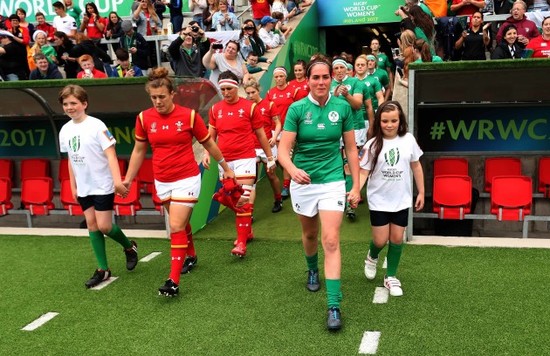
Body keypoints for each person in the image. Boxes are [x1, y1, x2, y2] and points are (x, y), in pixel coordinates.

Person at [123, 67, 234, 296]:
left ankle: (173, 281)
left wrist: (226, 167)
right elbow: (138, 151)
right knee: (180, 225)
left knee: (175, 226)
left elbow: (209, 143)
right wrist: (127, 180)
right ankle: (191, 255)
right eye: (153, 98)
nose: (157, 102)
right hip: (162, 180)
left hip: (187, 178)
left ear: (172, 94)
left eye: (162, 97)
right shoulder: (144, 118)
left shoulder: (189, 116)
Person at [277, 57, 360, 331]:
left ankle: (334, 305)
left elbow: (350, 149)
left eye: (326, 77)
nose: (322, 82)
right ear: (308, 80)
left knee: (331, 239)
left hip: (333, 181)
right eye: (316, 77)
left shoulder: (342, 107)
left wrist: (355, 185)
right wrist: (291, 169)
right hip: (304, 182)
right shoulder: (297, 109)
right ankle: (312, 267)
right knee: (310, 234)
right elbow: (283, 150)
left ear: (332, 78)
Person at [58, 84, 138, 289]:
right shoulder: (65, 130)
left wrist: (117, 181)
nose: (69, 107)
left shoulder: (97, 125)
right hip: (84, 186)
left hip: (102, 184)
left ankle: (129, 247)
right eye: (66, 104)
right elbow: (70, 160)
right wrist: (73, 186)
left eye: (74, 103)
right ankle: (103, 269)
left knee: (104, 226)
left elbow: (111, 155)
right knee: (92, 226)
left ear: (84, 104)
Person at [203, 71, 276, 258]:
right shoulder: (215, 109)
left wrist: (269, 157)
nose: (226, 92)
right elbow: (210, 135)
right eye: (223, 89)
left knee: (243, 198)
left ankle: (241, 243)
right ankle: (247, 231)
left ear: (236, 87)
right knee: (233, 198)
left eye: (229, 89)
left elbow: (261, 134)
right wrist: (205, 153)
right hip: (224, 160)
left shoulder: (250, 107)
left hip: (245, 157)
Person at [359, 101, 424, 298]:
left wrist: (421, 191)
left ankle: (391, 276)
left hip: (401, 199)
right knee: (380, 240)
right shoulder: (372, 145)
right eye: (385, 121)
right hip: (379, 199)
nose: (389, 125)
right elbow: (363, 172)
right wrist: (355, 191)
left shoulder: (408, 140)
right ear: (378, 122)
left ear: (400, 120)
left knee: (396, 239)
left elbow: (416, 166)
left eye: (394, 120)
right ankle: (372, 256)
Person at [331, 57, 366, 221]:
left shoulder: (355, 82)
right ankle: (339, 197)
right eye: (336, 68)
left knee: (349, 165)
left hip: (354, 128)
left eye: (341, 67)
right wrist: (333, 97)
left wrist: (346, 95)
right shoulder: (329, 84)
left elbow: (358, 105)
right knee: (337, 165)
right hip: (334, 128)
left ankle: (350, 204)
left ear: (346, 69)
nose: (339, 71)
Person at [243, 78, 284, 213]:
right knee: (251, 180)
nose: (250, 96)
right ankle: (249, 212)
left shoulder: (269, 105)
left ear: (258, 91)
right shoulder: (245, 107)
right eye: (247, 93)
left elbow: (278, 123)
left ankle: (278, 199)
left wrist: (274, 136)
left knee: (271, 175)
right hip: (251, 147)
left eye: (252, 92)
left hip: (268, 146)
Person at [266, 66, 298, 200]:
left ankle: (286, 186)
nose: (279, 79)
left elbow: (298, 109)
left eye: (281, 76)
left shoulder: (293, 91)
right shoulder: (270, 93)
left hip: (289, 129)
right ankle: (290, 174)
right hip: (275, 130)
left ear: (285, 77)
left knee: (286, 156)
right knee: (279, 158)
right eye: (276, 77)